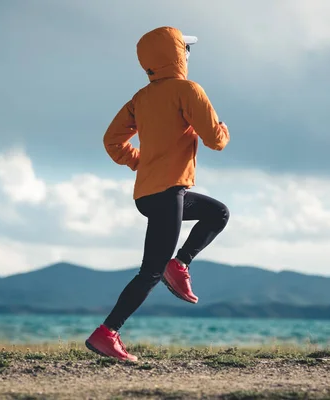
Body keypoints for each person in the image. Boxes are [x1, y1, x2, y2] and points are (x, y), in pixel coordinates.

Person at [85, 26, 230, 361]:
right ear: (179, 55)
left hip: (148, 195)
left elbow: (112, 141)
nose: (189, 56)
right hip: (169, 194)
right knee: (151, 270)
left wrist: (139, 161)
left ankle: (178, 264)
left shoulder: (140, 99)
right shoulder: (188, 91)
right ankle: (107, 332)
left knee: (217, 212)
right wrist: (223, 129)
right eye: (187, 50)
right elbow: (215, 141)